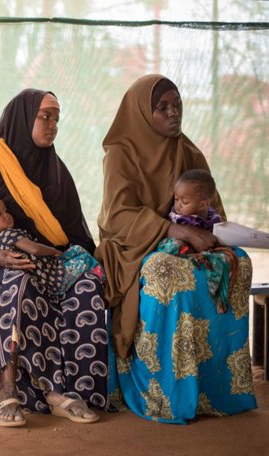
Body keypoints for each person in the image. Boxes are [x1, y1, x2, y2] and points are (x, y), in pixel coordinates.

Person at [96, 74, 256, 423]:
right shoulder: (120, 153)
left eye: (177, 105)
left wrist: (209, 235)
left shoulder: (187, 150)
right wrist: (175, 230)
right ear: (142, 113)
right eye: (162, 108)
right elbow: (117, 217)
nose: (173, 114)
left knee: (238, 262)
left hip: (185, 241)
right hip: (132, 248)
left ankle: (219, 391)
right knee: (163, 270)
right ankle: (166, 391)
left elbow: (211, 206)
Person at [0, 89, 107, 427]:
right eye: (44, 116)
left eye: (56, 118)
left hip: (49, 264)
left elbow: (73, 234)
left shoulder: (56, 170)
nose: (52, 125)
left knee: (86, 286)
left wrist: (66, 263)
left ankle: (74, 391)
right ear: (23, 119)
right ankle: (10, 388)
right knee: (19, 280)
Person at [0, 195, 102, 300]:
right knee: (84, 259)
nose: (6, 215)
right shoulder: (8, 235)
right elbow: (34, 249)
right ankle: (105, 280)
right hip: (55, 279)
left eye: (5, 210)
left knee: (77, 250)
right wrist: (53, 251)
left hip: (49, 269)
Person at [169, 168, 222, 233]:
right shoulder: (177, 219)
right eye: (176, 199)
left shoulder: (214, 220)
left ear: (202, 205)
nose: (177, 205)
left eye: (184, 202)